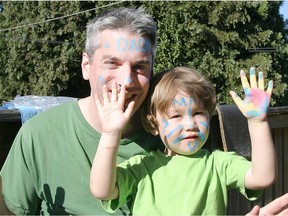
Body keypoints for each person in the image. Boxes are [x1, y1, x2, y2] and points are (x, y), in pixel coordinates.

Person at [0, 5, 287, 215]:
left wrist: (258, 122)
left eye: (139, 67)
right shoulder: (38, 135)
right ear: (86, 65)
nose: (126, 81)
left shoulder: (175, 136)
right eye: (112, 63)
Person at [90, 66, 277, 215]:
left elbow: (263, 177)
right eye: (176, 116)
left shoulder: (218, 164)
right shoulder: (143, 168)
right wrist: (111, 133)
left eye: (198, 113)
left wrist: (257, 123)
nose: (190, 124)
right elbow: (102, 190)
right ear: (154, 125)